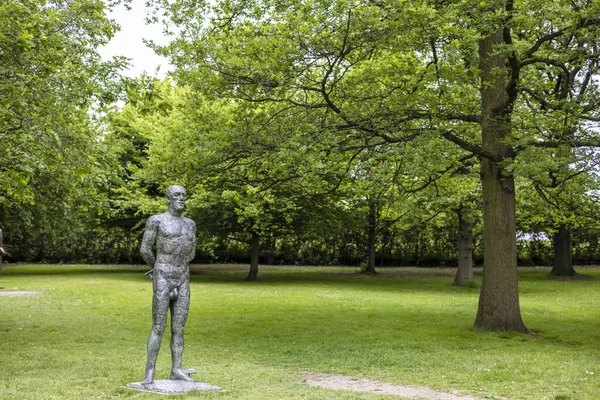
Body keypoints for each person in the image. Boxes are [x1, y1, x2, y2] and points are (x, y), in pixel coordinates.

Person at [139, 185, 196, 385]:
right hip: (163, 275)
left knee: (179, 328)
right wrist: (158, 268)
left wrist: (178, 268)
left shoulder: (190, 224)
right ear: (168, 198)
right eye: (177, 195)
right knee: (158, 326)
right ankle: (149, 372)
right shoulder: (157, 221)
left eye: (184, 195)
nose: (182, 198)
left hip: (183, 277)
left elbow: (191, 253)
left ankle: (176, 369)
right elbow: (145, 249)